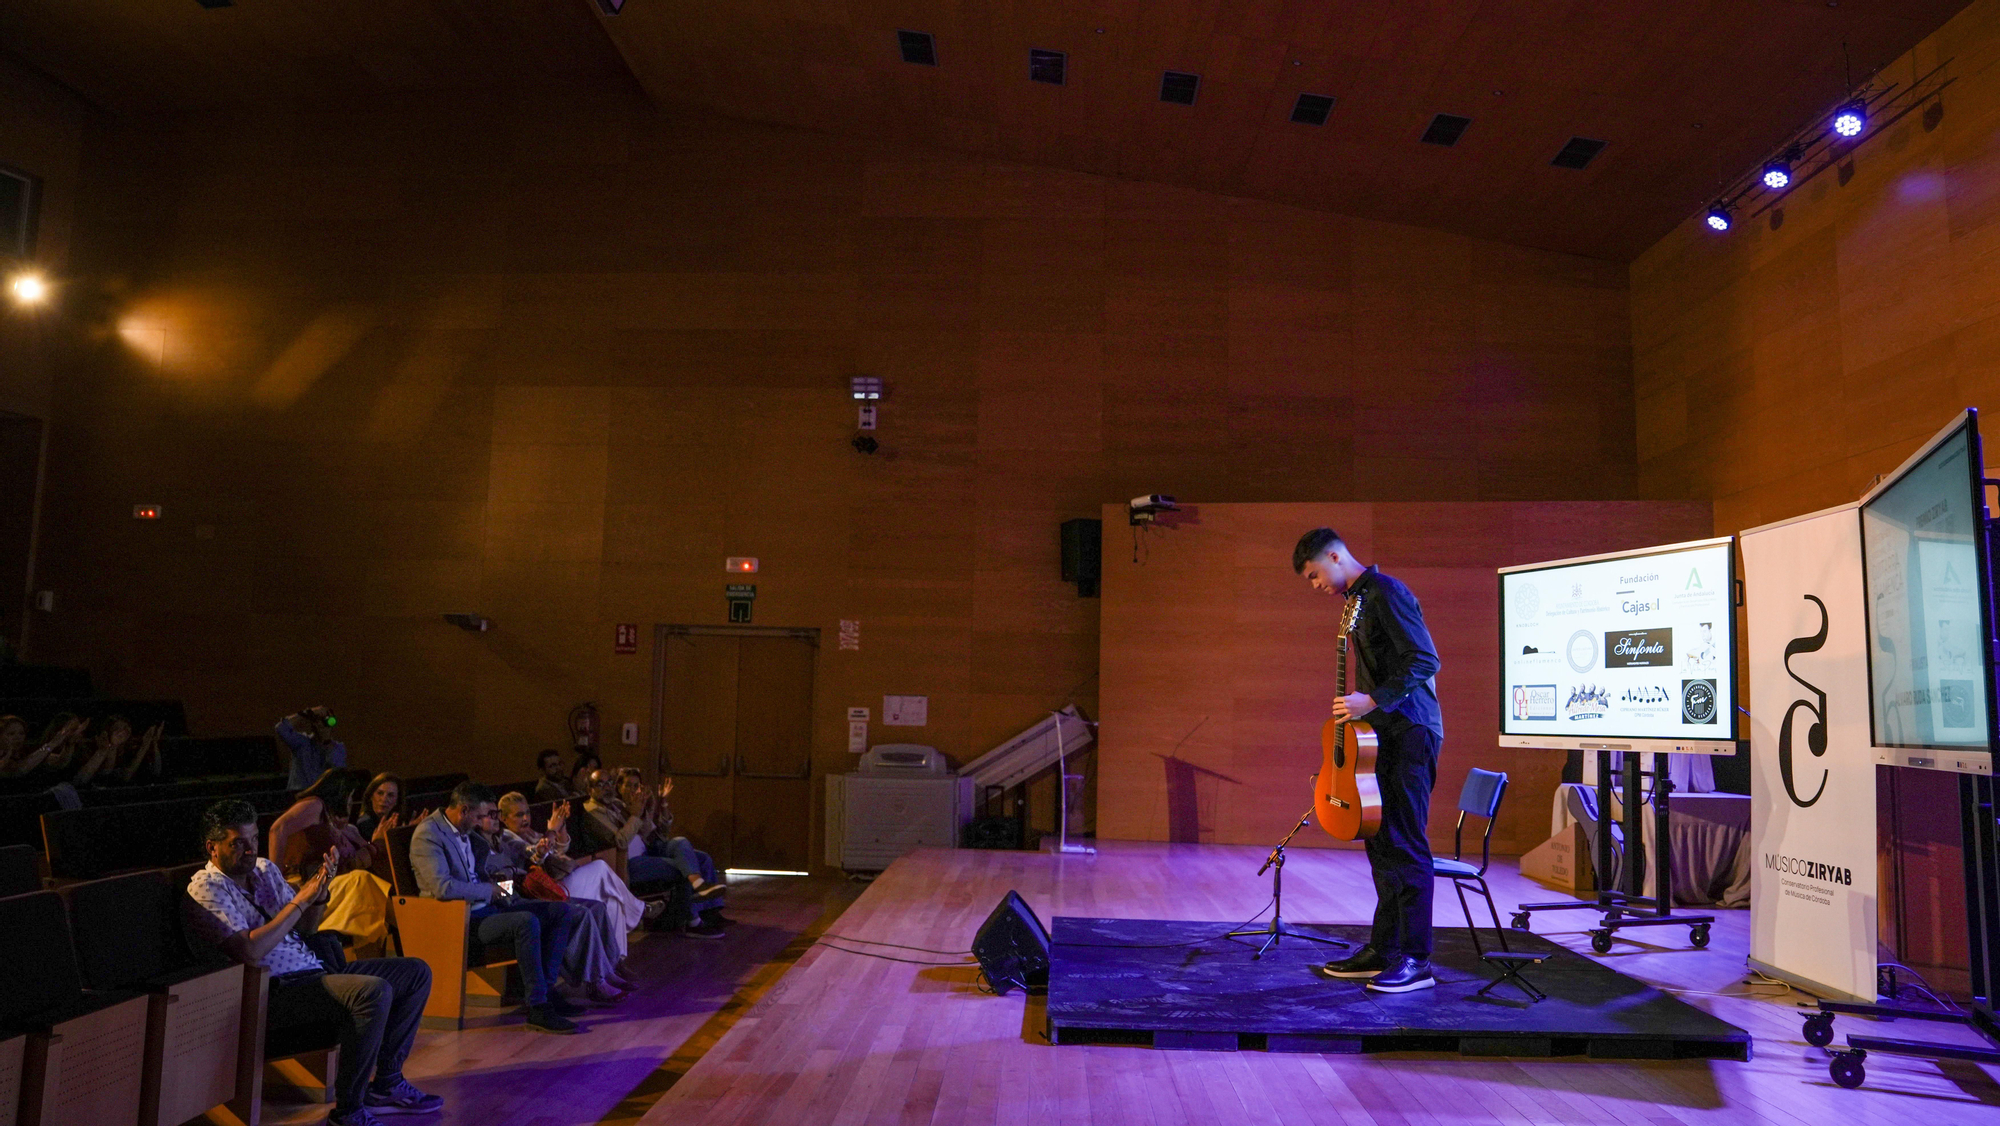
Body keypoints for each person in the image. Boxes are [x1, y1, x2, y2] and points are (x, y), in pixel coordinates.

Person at [184, 798, 442, 1126]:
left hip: (313, 970)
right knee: (371, 992)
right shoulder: (206, 888)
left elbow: (307, 928)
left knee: (416, 972)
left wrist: (319, 894)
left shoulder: (263, 870)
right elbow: (248, 952)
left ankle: (387, 1083)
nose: (249, 850)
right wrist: (300, 901)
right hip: (271, 992)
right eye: (238, 843)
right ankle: (348, 1111)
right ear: (213, 847)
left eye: (253, 840)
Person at [1294, 527, 1445, 994]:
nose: (1315, 585)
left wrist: (1371, 701)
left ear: (1336, 557)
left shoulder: (1386, 592)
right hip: (1382, 736)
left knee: (1405, 844)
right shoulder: (1358, 600)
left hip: (1411, 731)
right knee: (1381, 842)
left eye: (1316, 574)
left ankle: (1417, 960)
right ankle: (1385, 948)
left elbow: (1424, 661)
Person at [408, 781, 583, 1033]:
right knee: (526, 922)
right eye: (480, 816)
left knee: (560, 911)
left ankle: (545, 994)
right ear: (464, 810)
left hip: (486, 907)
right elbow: (442, 887)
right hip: (461, 919)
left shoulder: (469, 834)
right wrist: (490, 891)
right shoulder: (429, 834)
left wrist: (505, 890)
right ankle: (537, 1007)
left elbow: (482, 875)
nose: (482, 822)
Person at [478, 796, 629, 1002]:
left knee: (597, 907)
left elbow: (533, 854)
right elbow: (491, 888)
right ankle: (596, 982)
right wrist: (512, 884)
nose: (495, 819)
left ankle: (610, 970)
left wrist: (540, 850)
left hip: (528, 894)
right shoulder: (477, 847)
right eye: (491, 815)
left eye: (496, 814)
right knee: (580, 914)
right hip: (511, 902)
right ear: (476, 819)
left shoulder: (504, 838)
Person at [497, 792, 665, 964]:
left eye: (527, 813)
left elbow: (558, 852)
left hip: (559, 882)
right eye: (519, 815)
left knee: (613, 902)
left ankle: (615, 963)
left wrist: (560, 828)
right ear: (503, 818)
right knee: (600, 868)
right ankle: (640, 908)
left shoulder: (529, 832)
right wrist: (552, 830)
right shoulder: (507, 837)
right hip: (546, 892)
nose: (525, 818)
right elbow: (533, 855)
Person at [584, 769, 724, 937]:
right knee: (682, 867)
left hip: (648, 851)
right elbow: (621, 841)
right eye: (600, 784)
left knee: (688, 848)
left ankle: (707, 905)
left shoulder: (616, 804)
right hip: (629, 863)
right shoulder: (592, 811)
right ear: (590, 790)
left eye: (608, 783)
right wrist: (635, 815)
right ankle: (692, 922)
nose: (606, 788)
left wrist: (648, 808)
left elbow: (651, 833)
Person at [268, 769, 394, 948]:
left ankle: (401, 926)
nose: (351, 802)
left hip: (328, 880)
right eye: (350, 795)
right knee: (361, 882)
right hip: (303, 882)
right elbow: (277, 829)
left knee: (363, 885)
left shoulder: (338, 824)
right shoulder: (315, 805)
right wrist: (275, 878)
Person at [277, 706, 347, 791]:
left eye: (325, 721)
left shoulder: (338, 748)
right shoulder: (302, 743)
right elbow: (281, 729)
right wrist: (306, 713)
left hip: (322, 795)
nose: (321, 725)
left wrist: (326, 741)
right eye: (318, 721)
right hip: (299, 794)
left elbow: (336, 769)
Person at [354, 773, 405, 844]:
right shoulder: (363, 825)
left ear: (397, 800)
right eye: (380, 793)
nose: (384, 799)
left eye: (390, 795)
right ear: (371, 796)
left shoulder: (398, 821)